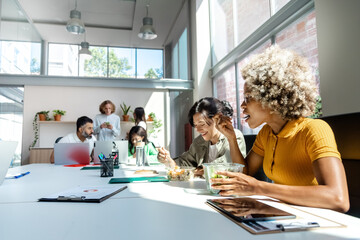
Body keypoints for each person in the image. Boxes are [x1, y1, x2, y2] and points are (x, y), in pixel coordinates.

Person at [212, 46, 349, 212]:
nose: (243, 105)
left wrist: (259, 188)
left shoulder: (314, 130)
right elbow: (245, 173)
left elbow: (338, 198)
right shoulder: (266, 133)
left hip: (316, 221)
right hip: (284, 215)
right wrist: (232, 138)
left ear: (272, 98)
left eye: (248, 98)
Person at [157, 97, 246, 176]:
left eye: (202, 124)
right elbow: (184, 162)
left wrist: (200, 170)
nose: (198, 130)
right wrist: (168, 160)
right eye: (195, 125)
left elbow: (228, 166)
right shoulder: (199, 141)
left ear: (217, 118)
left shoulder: (234, 136)